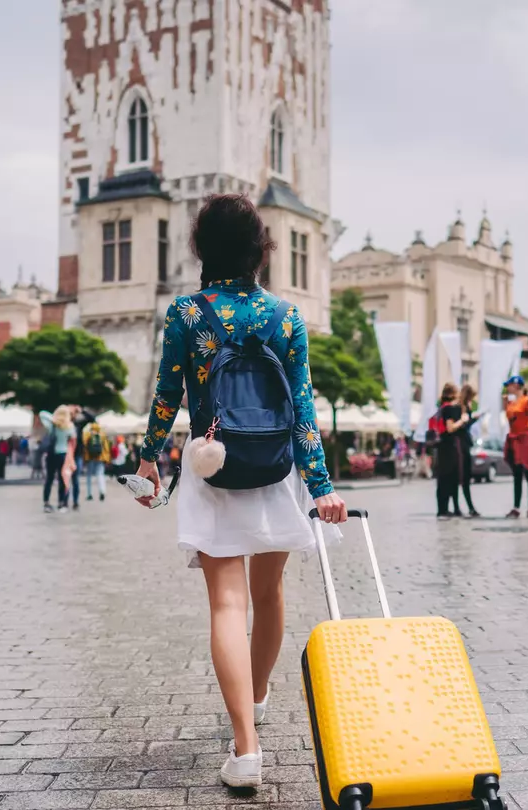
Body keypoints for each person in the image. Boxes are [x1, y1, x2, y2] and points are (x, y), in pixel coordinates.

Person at [131, 193, 346, 788]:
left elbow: (165, 397)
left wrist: (150, 458)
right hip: (275, 468)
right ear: (261, 248)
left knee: (228, 604)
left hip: (212, 466)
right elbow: (303, 408)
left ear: (203, 247)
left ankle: (246, 748)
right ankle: (256, 695)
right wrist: (321, 487)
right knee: (270, 594)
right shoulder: (287, 316)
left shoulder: (187, 312)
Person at [502, 376, 528, 518]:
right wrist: (505, 404)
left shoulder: (527, 400)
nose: (507, 387)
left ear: (517, 386)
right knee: (517, 474)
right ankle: (516, 507)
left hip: (525, 439)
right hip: (514, 439)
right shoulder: (511, 402)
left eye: (510, 385)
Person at [432, 383, 466, 518]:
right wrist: (462, 421)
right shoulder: (450, 409)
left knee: (442, 478)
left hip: (441, 446)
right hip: (450, 446)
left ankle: (442, 508)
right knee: (451, 477)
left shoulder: (441, 408)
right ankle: (447, 509)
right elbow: (450, 428)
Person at [37, 406, 74, 512]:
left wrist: (54, 418)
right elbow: (72, 439)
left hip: (52, 454)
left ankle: (46, 502)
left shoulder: (52, 425)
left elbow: (42, 413)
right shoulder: (69, 426)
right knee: (63, 479)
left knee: (49, 479)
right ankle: (62, 502)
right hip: (64, 454)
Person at [456, 384, 481, 517]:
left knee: (465, 477)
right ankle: (464, 506)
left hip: (464, 443)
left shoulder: (465, 407)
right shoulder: (460, 408)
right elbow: (462, 426)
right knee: (463, 477)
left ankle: (468, 506)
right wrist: (472, 419)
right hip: (461, 445)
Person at [80, 417, 109, 502]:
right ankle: (102, 491)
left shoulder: (88, 434)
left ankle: (89, 494)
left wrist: (85, 458)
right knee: (100, 474)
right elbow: (106, 448)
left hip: (90, 458)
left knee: (89, 475)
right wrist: (106, 459)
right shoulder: (102, 434)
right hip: (100, 458)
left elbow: (84, 445)